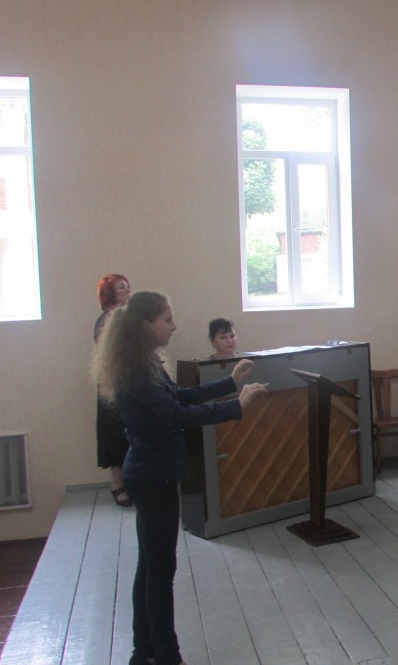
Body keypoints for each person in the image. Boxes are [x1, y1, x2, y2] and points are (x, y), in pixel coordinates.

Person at [92, 291, 267, 665]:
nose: (174, 326)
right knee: (160, 570)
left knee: (151, 566)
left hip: (152, 473)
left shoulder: (144, 363)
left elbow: (180, 397)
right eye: (167, 319)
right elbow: (177, 416)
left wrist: (229, 382)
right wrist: (237, 406)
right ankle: (166, 655)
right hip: (152, 476)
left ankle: (144, 652)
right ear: (146, 325)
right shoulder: (139, 372)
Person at [94, 273, 133, 507]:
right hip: (113, 384)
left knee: (131, 431)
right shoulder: (105, 320)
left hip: (130, 382)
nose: (128, 290)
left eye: (128, 286)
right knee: (114, 433)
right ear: (109, 293)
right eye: (121, 287)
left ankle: (132, 481)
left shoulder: (129, 318)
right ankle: (117, 484)